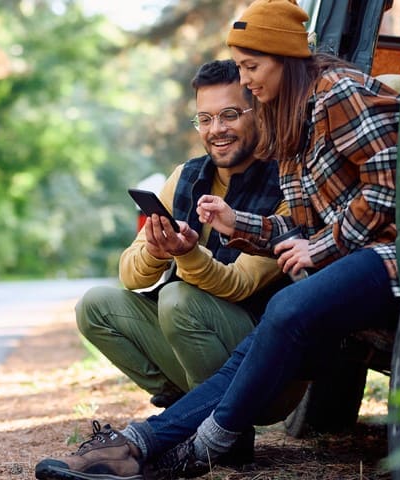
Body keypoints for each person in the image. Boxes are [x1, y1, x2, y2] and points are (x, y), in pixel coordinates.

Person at [33, 1, 400, 479]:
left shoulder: (338, 91)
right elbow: (299, 229)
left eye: (252, 67)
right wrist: (236, 224)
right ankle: (142, 444)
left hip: (390, 254)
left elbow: (389, 184)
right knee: (251, 336)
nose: (246, 79)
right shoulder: (288, 124)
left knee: (279, 309)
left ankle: (194, 448)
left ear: (286, 58)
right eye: (205, 118)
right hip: (341, 267)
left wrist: (320, 246)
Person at [76, 59, 288, 410]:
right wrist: (157, 252)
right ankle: (184, 409)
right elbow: (129, 273)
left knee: (178, 298)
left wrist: (187, 254)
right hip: (192, 342)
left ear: (259, 113)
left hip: (261, 360)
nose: (216, 129)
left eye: (230, 114)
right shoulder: (185, 176)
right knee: (94, 306)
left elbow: (240, 285)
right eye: (205, 119)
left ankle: (222, 426)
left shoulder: (285, 183)